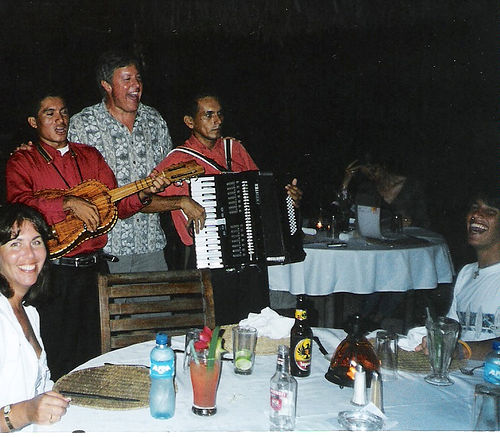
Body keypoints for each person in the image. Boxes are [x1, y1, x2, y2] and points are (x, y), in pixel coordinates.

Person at [5, 92, 168, 379]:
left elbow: (117, 206)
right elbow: (20, 205)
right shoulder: (23, 161)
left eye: (64, 112)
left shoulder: (90, 156)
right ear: (33, 121)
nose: (60, 120)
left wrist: (143, 193)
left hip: (95, 272)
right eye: (49, 113)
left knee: (97, 354)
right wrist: (67, 203)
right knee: (57, 358)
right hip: (53, 275)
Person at [154, 92, 302, 324]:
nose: (217, 121)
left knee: (255, 325)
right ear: (190, 122)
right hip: (207, 260)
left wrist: (288, 201)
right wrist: (181, 201)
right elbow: (144, 200)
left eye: (219, 114)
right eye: (208, 115)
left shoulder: (234, 149)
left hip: (250, 258)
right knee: (217, 330)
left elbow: (261, 194)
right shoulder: (177, 159)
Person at [68, 50, 200, 273]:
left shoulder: (155, 121)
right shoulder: (81, 125)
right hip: (104, 251)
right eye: (127, 79)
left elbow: (171, 180)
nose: (136, 85)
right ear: (107, 86)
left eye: (138, 78)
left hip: (152, 248)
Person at [0, 203, 70, 432]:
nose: (29, 254)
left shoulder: (29, 311)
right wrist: (27, 412)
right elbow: (29, 408)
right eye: (15, 243)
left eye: (36, 242)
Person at [415, 189, 500, 359]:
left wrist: (461, 350)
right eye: (474, 208)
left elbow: (459, 348)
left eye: (490, 211)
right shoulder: (466, 273)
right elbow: (452, 328)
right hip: (463, 368)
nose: (476, 215)